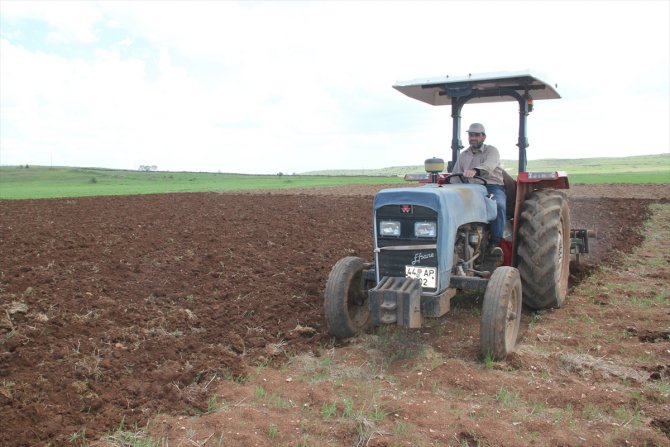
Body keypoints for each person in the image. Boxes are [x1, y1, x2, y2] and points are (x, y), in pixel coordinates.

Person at [451, 123, 506, 261]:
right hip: (469, 188)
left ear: (483, 136)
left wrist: (476, 170)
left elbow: (489, 165)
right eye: (471, 135)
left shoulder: (491, 151)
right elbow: (456, 175)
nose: (473, 138)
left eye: (476, 135)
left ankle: (494, 243)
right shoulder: (464, 155)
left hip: (491, 186)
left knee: (498, 205)